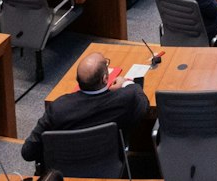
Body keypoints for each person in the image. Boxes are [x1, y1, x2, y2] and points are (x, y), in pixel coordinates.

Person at [21, 50, 149, 167]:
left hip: (65, 171)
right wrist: (126, 83)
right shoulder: (123, 100)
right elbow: (143, 104)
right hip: (107, 168)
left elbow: (28, 152)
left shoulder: (58, 108)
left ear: (78, 80)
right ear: (105, 79)